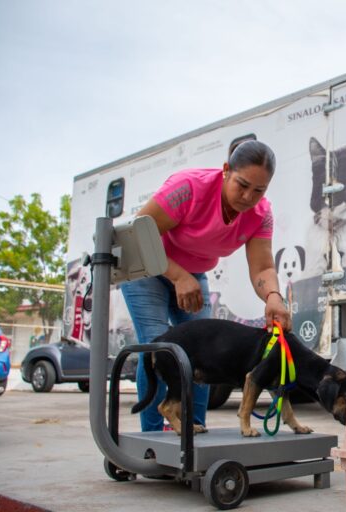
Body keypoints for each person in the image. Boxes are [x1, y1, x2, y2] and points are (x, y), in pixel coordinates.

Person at [120, 140, 291, 432]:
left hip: (192, 275)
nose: (248, 197)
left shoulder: (261, 214)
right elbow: (138, 236)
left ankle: (192, 431)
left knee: (203, 353)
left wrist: (273, 297)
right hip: (147, 269)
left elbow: (262, 267)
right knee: (159, 348)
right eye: (242, 185)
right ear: (226, 171)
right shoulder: (188, 188)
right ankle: (150, 441)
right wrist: (177, 276)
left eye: (259, 190)